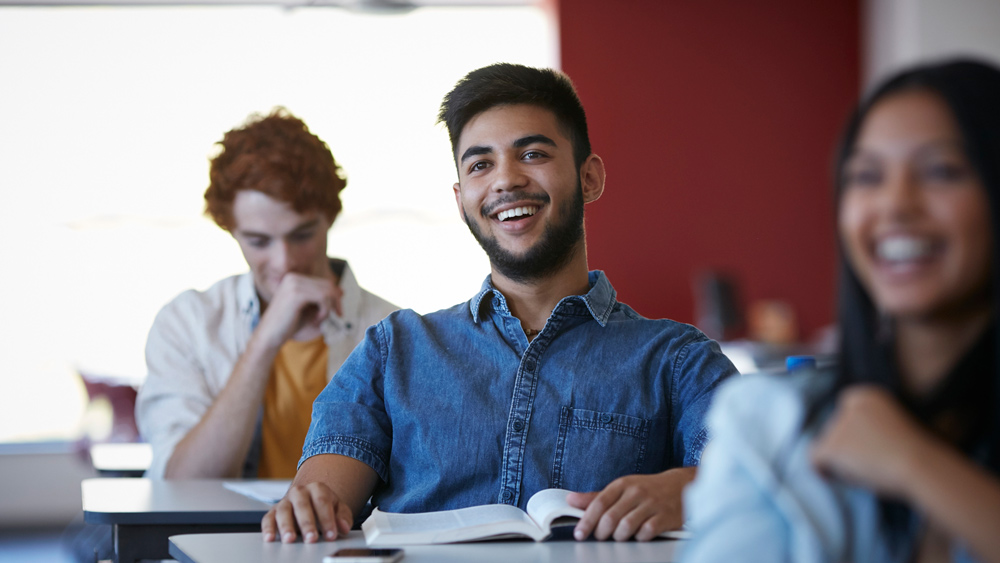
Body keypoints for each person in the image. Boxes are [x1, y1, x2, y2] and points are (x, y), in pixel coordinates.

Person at [261, 63, 738, 544]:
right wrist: (307, 506)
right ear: (461, 199)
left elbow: (754, 476)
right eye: (480, 165)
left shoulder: (678, 359)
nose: (506, 180)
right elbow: (320, 501)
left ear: (589, 177)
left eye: (532, 154)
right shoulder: (394, 349)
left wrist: (688, 491)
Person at [682, 59, 1000, 563]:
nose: (895, 205)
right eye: (867, 176)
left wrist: (913, 463)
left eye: (941, 171)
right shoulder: (771, 427)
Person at [136, 108, 399, 480]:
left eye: (302, 235)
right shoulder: (187, 323)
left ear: (330, 216)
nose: (284, 261)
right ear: (230, 229)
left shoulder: (392, 332)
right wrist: (265, 340)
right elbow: (184, 485)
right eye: (259, 241)